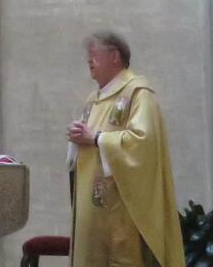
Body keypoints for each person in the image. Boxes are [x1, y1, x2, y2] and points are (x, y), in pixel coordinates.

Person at [66, 31, 185, 267]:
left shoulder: (138, 93)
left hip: (122, 208)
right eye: (88, 56)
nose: (89, 60)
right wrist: (76, 138)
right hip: (93, 210)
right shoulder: (93, 100)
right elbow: (86, 147)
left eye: (94, 54)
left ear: (115, 56)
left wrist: (98, 137)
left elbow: (143, 143)